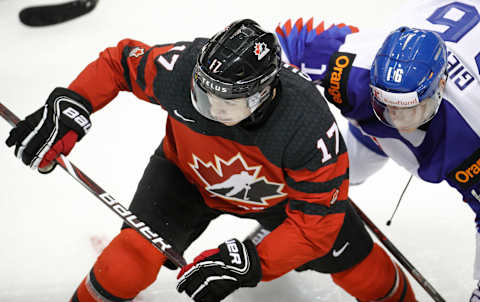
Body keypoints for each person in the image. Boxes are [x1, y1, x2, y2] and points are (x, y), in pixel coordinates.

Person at [5, 19, 416, 302]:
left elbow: (316, 227)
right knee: (124, 265)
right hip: (184, 179)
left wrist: (255, 263)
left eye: (227, 102)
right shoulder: (182, 69)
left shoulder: (307, 128)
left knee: (370, 274)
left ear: (264, 94)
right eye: (204, 95)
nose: (211, 110)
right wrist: (70, 106)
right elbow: (119, 63)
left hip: (282, 203)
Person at [275, 0, 480, 300]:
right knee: (346, 171)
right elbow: (282, 45)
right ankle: (284, 213)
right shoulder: (351, 67)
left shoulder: (470, 128)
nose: (396, 118)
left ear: (441, 86)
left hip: (454, 133)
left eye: (410, 108)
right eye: (387, 104)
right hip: (384, 119)